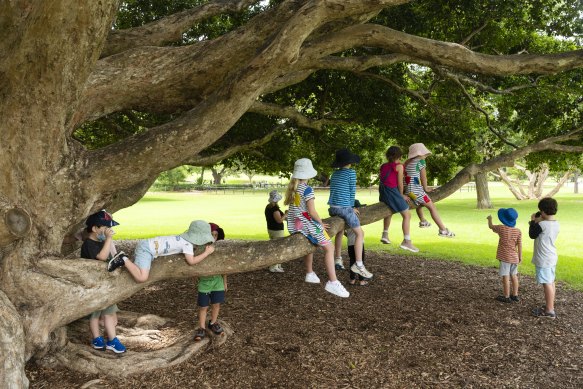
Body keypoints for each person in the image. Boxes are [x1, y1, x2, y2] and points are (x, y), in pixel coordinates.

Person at [284, 158, 350, 298]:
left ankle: (310, 273)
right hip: (306, 224)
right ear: (308, 174)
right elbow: (312, 211)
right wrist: (319, 223)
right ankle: (333, 281)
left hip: (295, 224)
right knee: (329, 248)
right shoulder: (307, 189)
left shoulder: (294, 188)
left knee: (311, 244)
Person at [107, 220, 216, 282]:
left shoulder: (184, 239)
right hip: (146, 249)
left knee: (140, 273)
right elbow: (191, 261)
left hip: (147, 245)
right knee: (142, 278)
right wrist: (206, 253)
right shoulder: (187, 244)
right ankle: (123, 259)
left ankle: (126, 260)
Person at [80, 210, 126, 353]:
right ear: (95, 229)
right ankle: (97, 338)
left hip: (106, 286)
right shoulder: (89, 244)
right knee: (94, 316)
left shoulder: (100, 241)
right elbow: (102, 257)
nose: (108, 231)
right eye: (105, 228)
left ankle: (112, 340)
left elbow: (110, 257)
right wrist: (108, 239)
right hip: (94, 286)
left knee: (108, 313)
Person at [327, 148, 373, 280]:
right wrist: (352, 207)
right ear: (350, 162)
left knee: (340, 231)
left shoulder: (334, 174)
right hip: (344, 208)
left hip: (333, 208)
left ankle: (338, 258)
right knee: (360, 233)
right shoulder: (351, 173)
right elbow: (352, 191)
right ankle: (358, 264)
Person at [404, 143, 455, 238]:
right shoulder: (421, 162)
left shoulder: (407, 162)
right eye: (424, 153)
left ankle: (423, 221)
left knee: (419, 203)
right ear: (419, 154)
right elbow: (424, 177)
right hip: (416, 190)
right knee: (432, 207)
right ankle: (443, 230)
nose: (425, 156)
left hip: (408, 191)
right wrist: (426, 188)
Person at [379, 146, 419, 252]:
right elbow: (400, 183)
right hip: (392, 192)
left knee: (389, 211)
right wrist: (401, 195)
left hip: (383, 192)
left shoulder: (383, 166)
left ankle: (385, 234)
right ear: (400, 156)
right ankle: (407, 241)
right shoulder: (399, 166)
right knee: (407, 215)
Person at [195, 223, 227, 341]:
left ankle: (213, 323)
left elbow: (225, 267)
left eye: (215, 235)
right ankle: (202, 328)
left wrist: (224, 282)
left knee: (216, 304)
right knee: (203, 306)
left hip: (217, 282)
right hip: (204, 282)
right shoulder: (200, 248)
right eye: (211, 234)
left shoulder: (219, 248)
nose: (213, 237)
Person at [529, 197, 560, 319]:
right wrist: (539, 221)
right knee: (551, 281)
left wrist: (533, 221)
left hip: (543, 258)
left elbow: (532, 234)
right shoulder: (556, 223)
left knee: (546, 283)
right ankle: (550, 304)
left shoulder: (541, 225)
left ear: (542, 211)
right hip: (551, 256)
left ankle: (549, 311)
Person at [487, 208, 522, 303]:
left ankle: (506, 296)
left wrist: (489, 219)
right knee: (514, 276)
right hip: (514, 258)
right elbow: (519, 245)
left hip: (505, 257)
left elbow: (491, 226)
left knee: (505, 276)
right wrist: (520, 257)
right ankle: (515, 295)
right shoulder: (518, 231)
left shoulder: (501, 228)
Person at [345, 200, 369, 286]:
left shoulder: (347, 218)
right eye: (359, 208)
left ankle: (352, 279)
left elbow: (345, 232)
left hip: (350, 243)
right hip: (358, 244)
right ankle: (361, 280)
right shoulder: (356, 219)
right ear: (354, 209)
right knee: (360, 261)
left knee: (352, 261)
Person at [265, 190, 286, 273]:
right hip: (277, 230)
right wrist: (286, 214)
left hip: (271, 229)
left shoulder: (268, 207)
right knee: (278, 248)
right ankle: (274, 266)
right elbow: (279, 220)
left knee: (275, 247)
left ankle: (277, 265)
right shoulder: (275, 209)